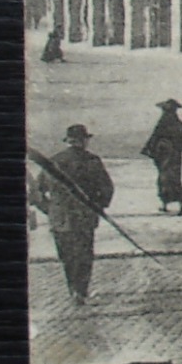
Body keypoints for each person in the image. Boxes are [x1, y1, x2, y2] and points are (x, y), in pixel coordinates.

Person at [33, 124, 114, 305]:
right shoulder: (93, 161)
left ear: (68, 141)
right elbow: (107, 188)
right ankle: (81, 291)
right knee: (84, 254)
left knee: (67, 255)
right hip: (84, 217)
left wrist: (49, 209)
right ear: (84, 141)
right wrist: (98, 207)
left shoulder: (53, 161)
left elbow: (37, 192)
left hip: (60, 219)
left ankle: (73, 290)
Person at [140, 99, 182, 215]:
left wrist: (149, 150)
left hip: (165, 156)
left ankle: (176, 204)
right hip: (172, 156)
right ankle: (172, 204)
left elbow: (155, 137)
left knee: (166, 180)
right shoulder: (178, 124)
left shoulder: (164, 122)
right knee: (172, 180)